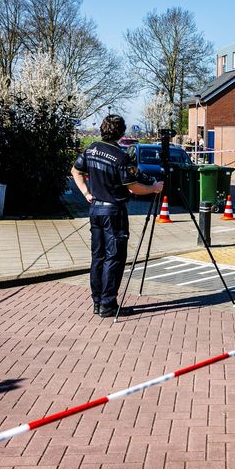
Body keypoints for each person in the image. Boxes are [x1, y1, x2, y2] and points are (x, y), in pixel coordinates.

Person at [71, 115, 163, 318]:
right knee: (115, 257)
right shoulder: (121, 157)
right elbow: (134, 188)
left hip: (95, 210)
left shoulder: (91, 149)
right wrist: (154, 188)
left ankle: (97, 302)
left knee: (98, 257)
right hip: (114, 211)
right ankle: (108, 304)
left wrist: (86, 193)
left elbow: (75, 171)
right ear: (121, 133)